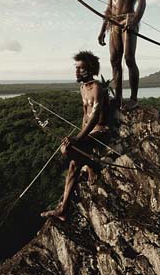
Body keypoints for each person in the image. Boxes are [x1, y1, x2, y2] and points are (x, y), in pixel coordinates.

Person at [41, 51, 110, 221]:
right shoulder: (82, 88)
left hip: (101, 132)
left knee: (68, 151)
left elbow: (94, 118)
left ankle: (92, 165)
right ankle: (64, 209)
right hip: (88, 134)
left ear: (90, 69)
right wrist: (78, 136)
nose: (77, 72)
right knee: (73, 164)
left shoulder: (97, 88)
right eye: (76, 68)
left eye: (80, 69)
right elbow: (85, 116)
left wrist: (78, 139)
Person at [98, 0, 146, 111]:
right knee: (114, 61)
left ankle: (133, 99)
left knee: (128, 58)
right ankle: (118, 99)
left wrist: (134, 20)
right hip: (114, 24)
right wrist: (103, 29)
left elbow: (142, 1)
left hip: (128, 20)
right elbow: (109, 8)